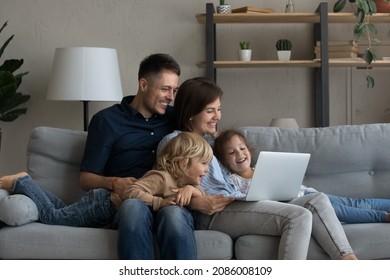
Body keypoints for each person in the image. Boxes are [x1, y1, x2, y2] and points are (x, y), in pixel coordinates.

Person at [157, 76, 358, 260]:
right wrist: (195, 200)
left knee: (317, 199)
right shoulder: (174, 141)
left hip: (235, 201)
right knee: (299, 216)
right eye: (210, 111)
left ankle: (348, 260)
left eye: (219, 109)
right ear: (191, 113)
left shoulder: (210, 143)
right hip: (213, 214)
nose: (217, 116)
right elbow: (164, 184)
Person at [79, 53, 197, 260]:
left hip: (169, 198)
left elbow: (201, 145)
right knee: (134, 208)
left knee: (174, 215)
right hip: (130, 200)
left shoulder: (174, 118)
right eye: (165, 89)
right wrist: (114, 183)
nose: (171, 97)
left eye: (174, 90)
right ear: (143, 85)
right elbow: (85, 178)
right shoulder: (106, 121)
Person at [0, 132, 211, 229]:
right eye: (203, 164)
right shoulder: (161, 177)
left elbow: (201, 197)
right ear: (183, 164)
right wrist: (158, 202)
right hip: (102, 206)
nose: (207, 170)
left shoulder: (184, 184)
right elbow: (131, 192)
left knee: (61, 209)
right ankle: (23, 183)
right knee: (53, 217)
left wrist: (193, 190)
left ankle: (29, 183)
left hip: (102, 205)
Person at [213, 129, 390, 224]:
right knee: (340, 211)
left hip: (308, 194)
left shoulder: (264, 165)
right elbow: (238, 196)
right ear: (224, 160)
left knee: (354, 203)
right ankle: (383, 217)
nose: (239, 154)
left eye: (242, 148)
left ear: (249, 150)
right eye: (231, 152)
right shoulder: (233, 181)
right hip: (301, 205)